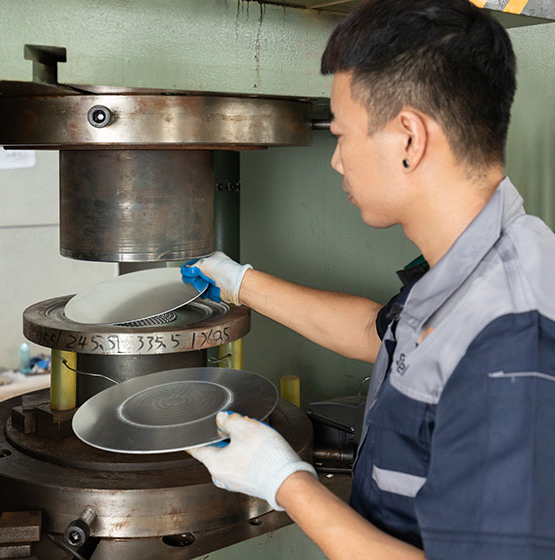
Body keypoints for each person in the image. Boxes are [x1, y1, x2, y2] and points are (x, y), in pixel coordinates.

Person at [181, 1, 555, 559]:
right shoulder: (481, 259)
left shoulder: (512, 343)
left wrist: (287, 482)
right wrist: (238, 282)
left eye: (342, 134)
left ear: (409, 139)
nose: (335, 161)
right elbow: (379, 333)